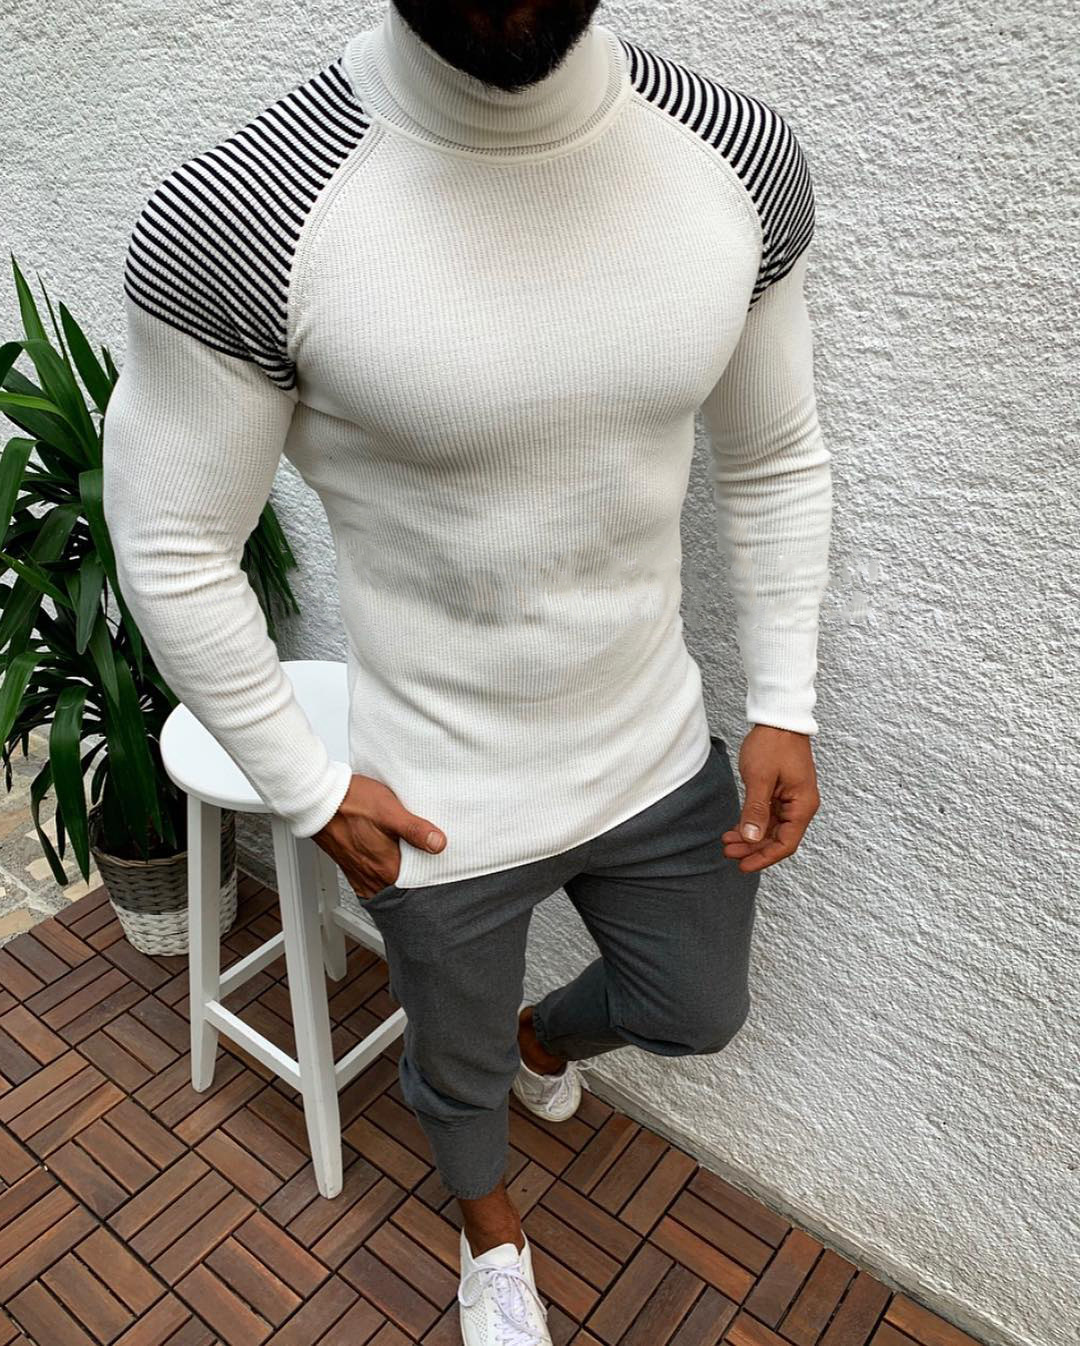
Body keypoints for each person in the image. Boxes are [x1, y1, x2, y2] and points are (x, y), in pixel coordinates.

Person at [102, 0, 831, 1339]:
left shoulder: (734, 156)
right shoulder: (241, 214)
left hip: (656, 749)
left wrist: (784, 699)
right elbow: (170, 543)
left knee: (695, 1008)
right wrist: (309, 788)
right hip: (440, 801)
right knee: (454, 1074)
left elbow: (776, 454)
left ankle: (544, 1043)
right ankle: (490, 1239)